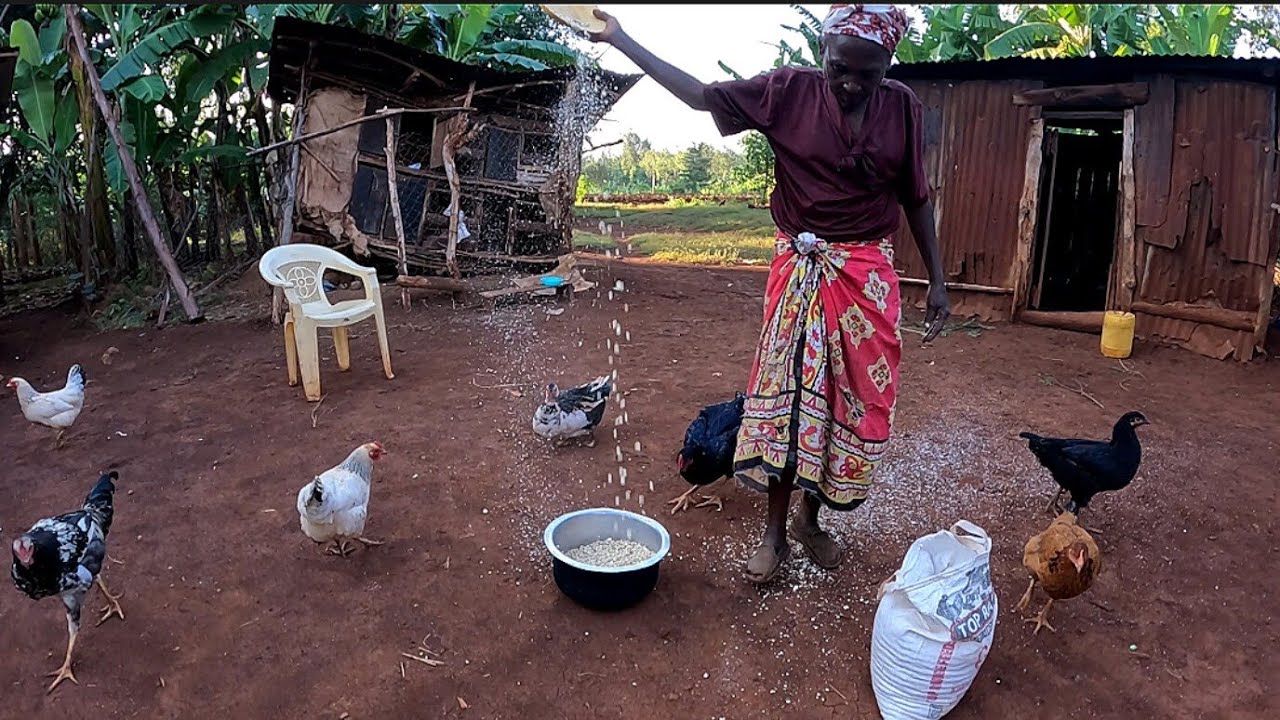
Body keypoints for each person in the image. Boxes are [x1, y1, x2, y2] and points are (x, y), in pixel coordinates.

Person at [589, 4, 951, 584]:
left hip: (864, 275)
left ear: (889, 64)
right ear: (822, 52)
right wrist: (620, 37)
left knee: (848, 403)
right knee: (789, 402)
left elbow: (916, 197)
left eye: (869, 73)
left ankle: (811, 520)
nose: (852, 84)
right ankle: (774, 534)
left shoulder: (902, 107)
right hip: (799, 269)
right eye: (840, 68)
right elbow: (700, 96)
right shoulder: (787, 92)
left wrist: (937, 280)